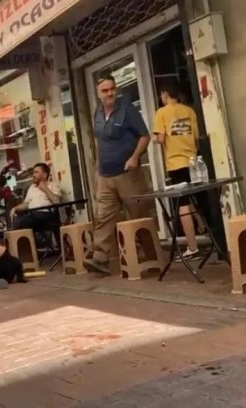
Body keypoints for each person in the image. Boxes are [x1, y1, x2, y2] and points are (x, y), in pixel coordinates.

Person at [84, 74, 153, 275]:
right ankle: (100, 258)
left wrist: (134, 158)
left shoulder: (127, 109)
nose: (110, 93)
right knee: (103, 218)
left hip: (127, 174)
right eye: (105, 90)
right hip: (105, 176)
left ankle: (152, 257)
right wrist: (97, 171)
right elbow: (99, 143)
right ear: (98, 93)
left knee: (138, 215)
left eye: (112, 89)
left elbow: (145, 136)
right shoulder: (97, 112)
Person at [153, 81, 205, 259]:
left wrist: (154, 138)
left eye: (161, 94)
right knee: (192, 196)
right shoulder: (189, 111)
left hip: (176, 163)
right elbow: (196, 138)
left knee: (182, 205)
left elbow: (160, 139)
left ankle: (193, 247)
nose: (161, 97)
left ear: (165, 94)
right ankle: (201, 225)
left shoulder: (161, 112)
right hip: (193, 162)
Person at [9, 163, 61, 231]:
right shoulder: (32, 187)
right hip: (31, 214)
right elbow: (26, 204)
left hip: (45, 213)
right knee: (17, 221)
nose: (33, 175)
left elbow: (57, 201)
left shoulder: (53, 185)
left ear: (44, 175)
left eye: (36, 172)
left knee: (21, 222)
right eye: (33, 173)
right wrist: (15, 208)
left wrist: (45, 188)